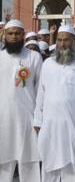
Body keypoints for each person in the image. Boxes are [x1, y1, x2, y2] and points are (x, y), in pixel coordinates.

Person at [34, 26, 75, 182]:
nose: (62, 43)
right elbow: (41, 93)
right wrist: (38, 119)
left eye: (66, 40)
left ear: (74, 41)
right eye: (59, 40)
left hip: (72, 121)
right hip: (50, 122)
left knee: (69, 162)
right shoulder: (47, 64)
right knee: (49, 162)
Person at [0, 20, 43, 182]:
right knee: (3, 161)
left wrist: (39, 117)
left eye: (17, 33)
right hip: (3, 119)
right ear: (4, 35)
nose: (13, 37)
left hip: (27, 118)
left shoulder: (34, 57)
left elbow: (40, 89)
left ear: (23, 35)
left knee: (29, 161)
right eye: (10, 33)